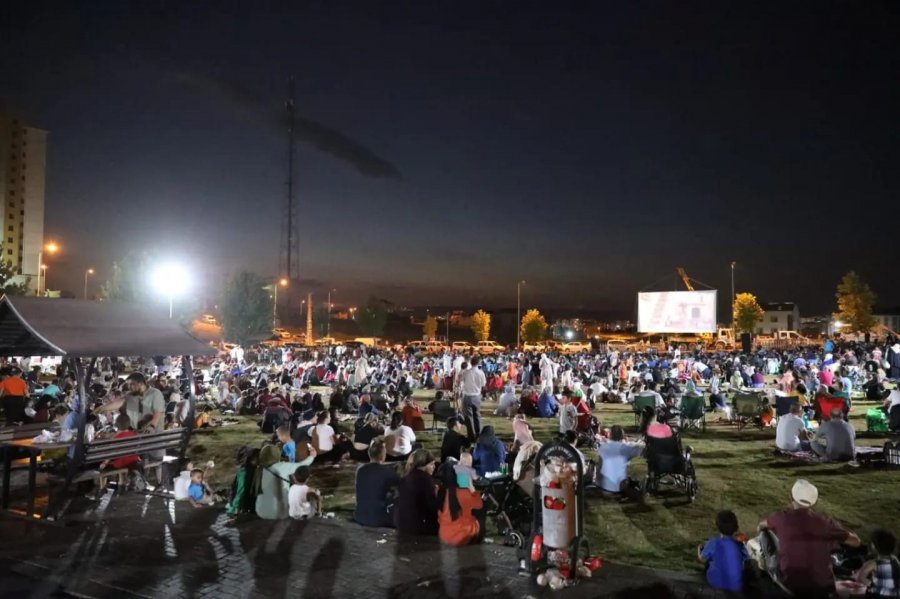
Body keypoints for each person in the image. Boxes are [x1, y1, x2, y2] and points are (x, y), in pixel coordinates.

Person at [757, 479, 861, 596]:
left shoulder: (780, 518)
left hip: (791, 586)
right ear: (813, 503)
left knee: (764, 534)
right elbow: (856, 542)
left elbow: (761, 526)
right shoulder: (825, 523)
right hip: (824, 587)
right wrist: (840, 530)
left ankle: (763, 566)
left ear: (791, 497)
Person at [698, 510, 748, 594]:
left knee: (708, 563)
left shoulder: (714, 542)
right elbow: (744, 559)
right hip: (736, 587)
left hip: (716, 583)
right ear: (736, 527)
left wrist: (699, 549)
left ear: (717, 526)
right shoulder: (740, 546)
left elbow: (702, 559)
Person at [354, 439, 400, 528]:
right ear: (383, 455)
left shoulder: (360, 470)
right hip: (379, 519)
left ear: (369, 454)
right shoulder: (388, 472)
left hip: (360, 516)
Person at [437, 462, 485, 546]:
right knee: (479, 516)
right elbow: (479, 507)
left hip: (444, 535)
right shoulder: (463, 492)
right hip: (462, 535)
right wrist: (471, 487)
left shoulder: (439, 491)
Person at [394, 449, 439, 536]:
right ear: (423, 465)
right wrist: (437, 495)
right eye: (431, 464)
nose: (434, 467)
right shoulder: (427, 480)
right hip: (418, 527)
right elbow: (431, 507)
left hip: (401, 524)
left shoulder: (405, 478)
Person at [596, 425, 643, 496]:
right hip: (617, 487)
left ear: (610, 435)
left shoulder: (603, 447)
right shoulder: (625, 448)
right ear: (623, 436)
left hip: (601, 484)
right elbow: (641, 449)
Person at [855, 529, 900, 598]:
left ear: (873, 546)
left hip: (878, 595)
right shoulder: (895, 560)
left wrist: (871, 583)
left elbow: (859, 578)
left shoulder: (872, 563)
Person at [458, 356, 486, 441]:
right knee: (477, 415)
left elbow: (459, 379)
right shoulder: (481, 373)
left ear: (471, 363)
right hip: (476, 396)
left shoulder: (466, 372)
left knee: (469, 417)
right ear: (478, 363)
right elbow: (483, 384)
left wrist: (462, 370)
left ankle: (471, 436)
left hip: (467, 396)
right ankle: (478, 434)